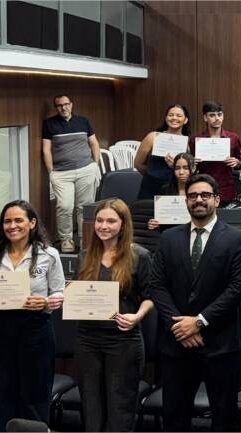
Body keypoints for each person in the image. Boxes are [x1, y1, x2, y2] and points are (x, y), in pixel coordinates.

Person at [149, 174, 241, 432]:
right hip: (176, 344)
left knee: (224, 416)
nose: (199, 200)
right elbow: (157, 286)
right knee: (174, 415)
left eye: (205, 195)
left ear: (217, 200)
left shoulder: (237, 239)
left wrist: (199, 321)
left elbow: (238, 288)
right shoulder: (169, 238)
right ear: (186, 201)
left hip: (219, 343)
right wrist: (179, 327)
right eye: (193, 196)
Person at [75, 199, 153, 431]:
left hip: (123, 340)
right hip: (87, 339)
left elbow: (150, 297)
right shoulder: (85, 255)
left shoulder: (140, 255)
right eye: (99, 220)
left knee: (120, 407)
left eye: (111, 220)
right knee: (91, 407)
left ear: (123, 224)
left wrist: (137, 316)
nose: (104, 226)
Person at [0, 200, 65, 429]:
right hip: (3, 328)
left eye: (18, 220)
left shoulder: (49, 254)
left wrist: (45, 301)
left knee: (35, 393)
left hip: (36, 328)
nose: (12, 226)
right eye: (7, 221)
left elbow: (60, 293)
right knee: (4, 391)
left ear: (32, 223)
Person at [42, 95, 102, 253]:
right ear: (56, 107)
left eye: (66, 104)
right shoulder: (49, 124)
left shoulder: (83, 121)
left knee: (84, 208)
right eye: (59, 105)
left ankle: (85, 239)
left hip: (86, 170)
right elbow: (46, 149)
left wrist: (95, 164)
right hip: (61, 173)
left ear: (71, 105)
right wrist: (51, 172)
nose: (63, 108)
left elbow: (94, 143)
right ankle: (66, 240)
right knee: (65, 206)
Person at [188, 101, 241, 206]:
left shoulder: (233, 138)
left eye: (219, 114)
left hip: (226, 188)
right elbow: (190, 167)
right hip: (202, 188)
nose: (217, 118)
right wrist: (192, 163)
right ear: (205, 118)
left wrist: (237, 162)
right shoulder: (195, 140)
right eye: (212, 115)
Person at [134, 103, 191, 199]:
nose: (174, 118)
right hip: (150, 186)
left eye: (179, 115)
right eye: (171, 115)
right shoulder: (152, 137)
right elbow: (138, 164)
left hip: (173, 187)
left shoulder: (187, 142)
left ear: (185, 120)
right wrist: (152, 174)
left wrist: (175, 166)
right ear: (166, 118)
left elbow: (186, 170)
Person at [147, 152, 197, 232]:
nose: (181, 172)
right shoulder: (165, 189)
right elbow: (161, 220)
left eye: (185, 168)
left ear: (193, 169)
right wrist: (154, 223)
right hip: (170, 235)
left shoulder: (199, 190)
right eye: (177, 168)